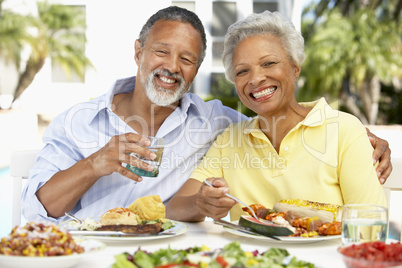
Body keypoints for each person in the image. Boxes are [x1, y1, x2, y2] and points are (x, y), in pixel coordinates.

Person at [22, 7, 390, 223]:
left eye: (186, 59)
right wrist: (94, 164)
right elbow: (37, 209)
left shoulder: (217, 123)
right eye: (161, 52)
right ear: (138, 52)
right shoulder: (79, 120)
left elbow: (372, 224)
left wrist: (357, 137)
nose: (171, 67)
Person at [166, 10, 388, 222]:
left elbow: (369, 224)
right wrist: (201, 203)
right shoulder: (229, 139)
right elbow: (175, 207)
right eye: (242, 71)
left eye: (268, 63)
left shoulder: (345, 131)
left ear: (295, 67)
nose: (255, 79)